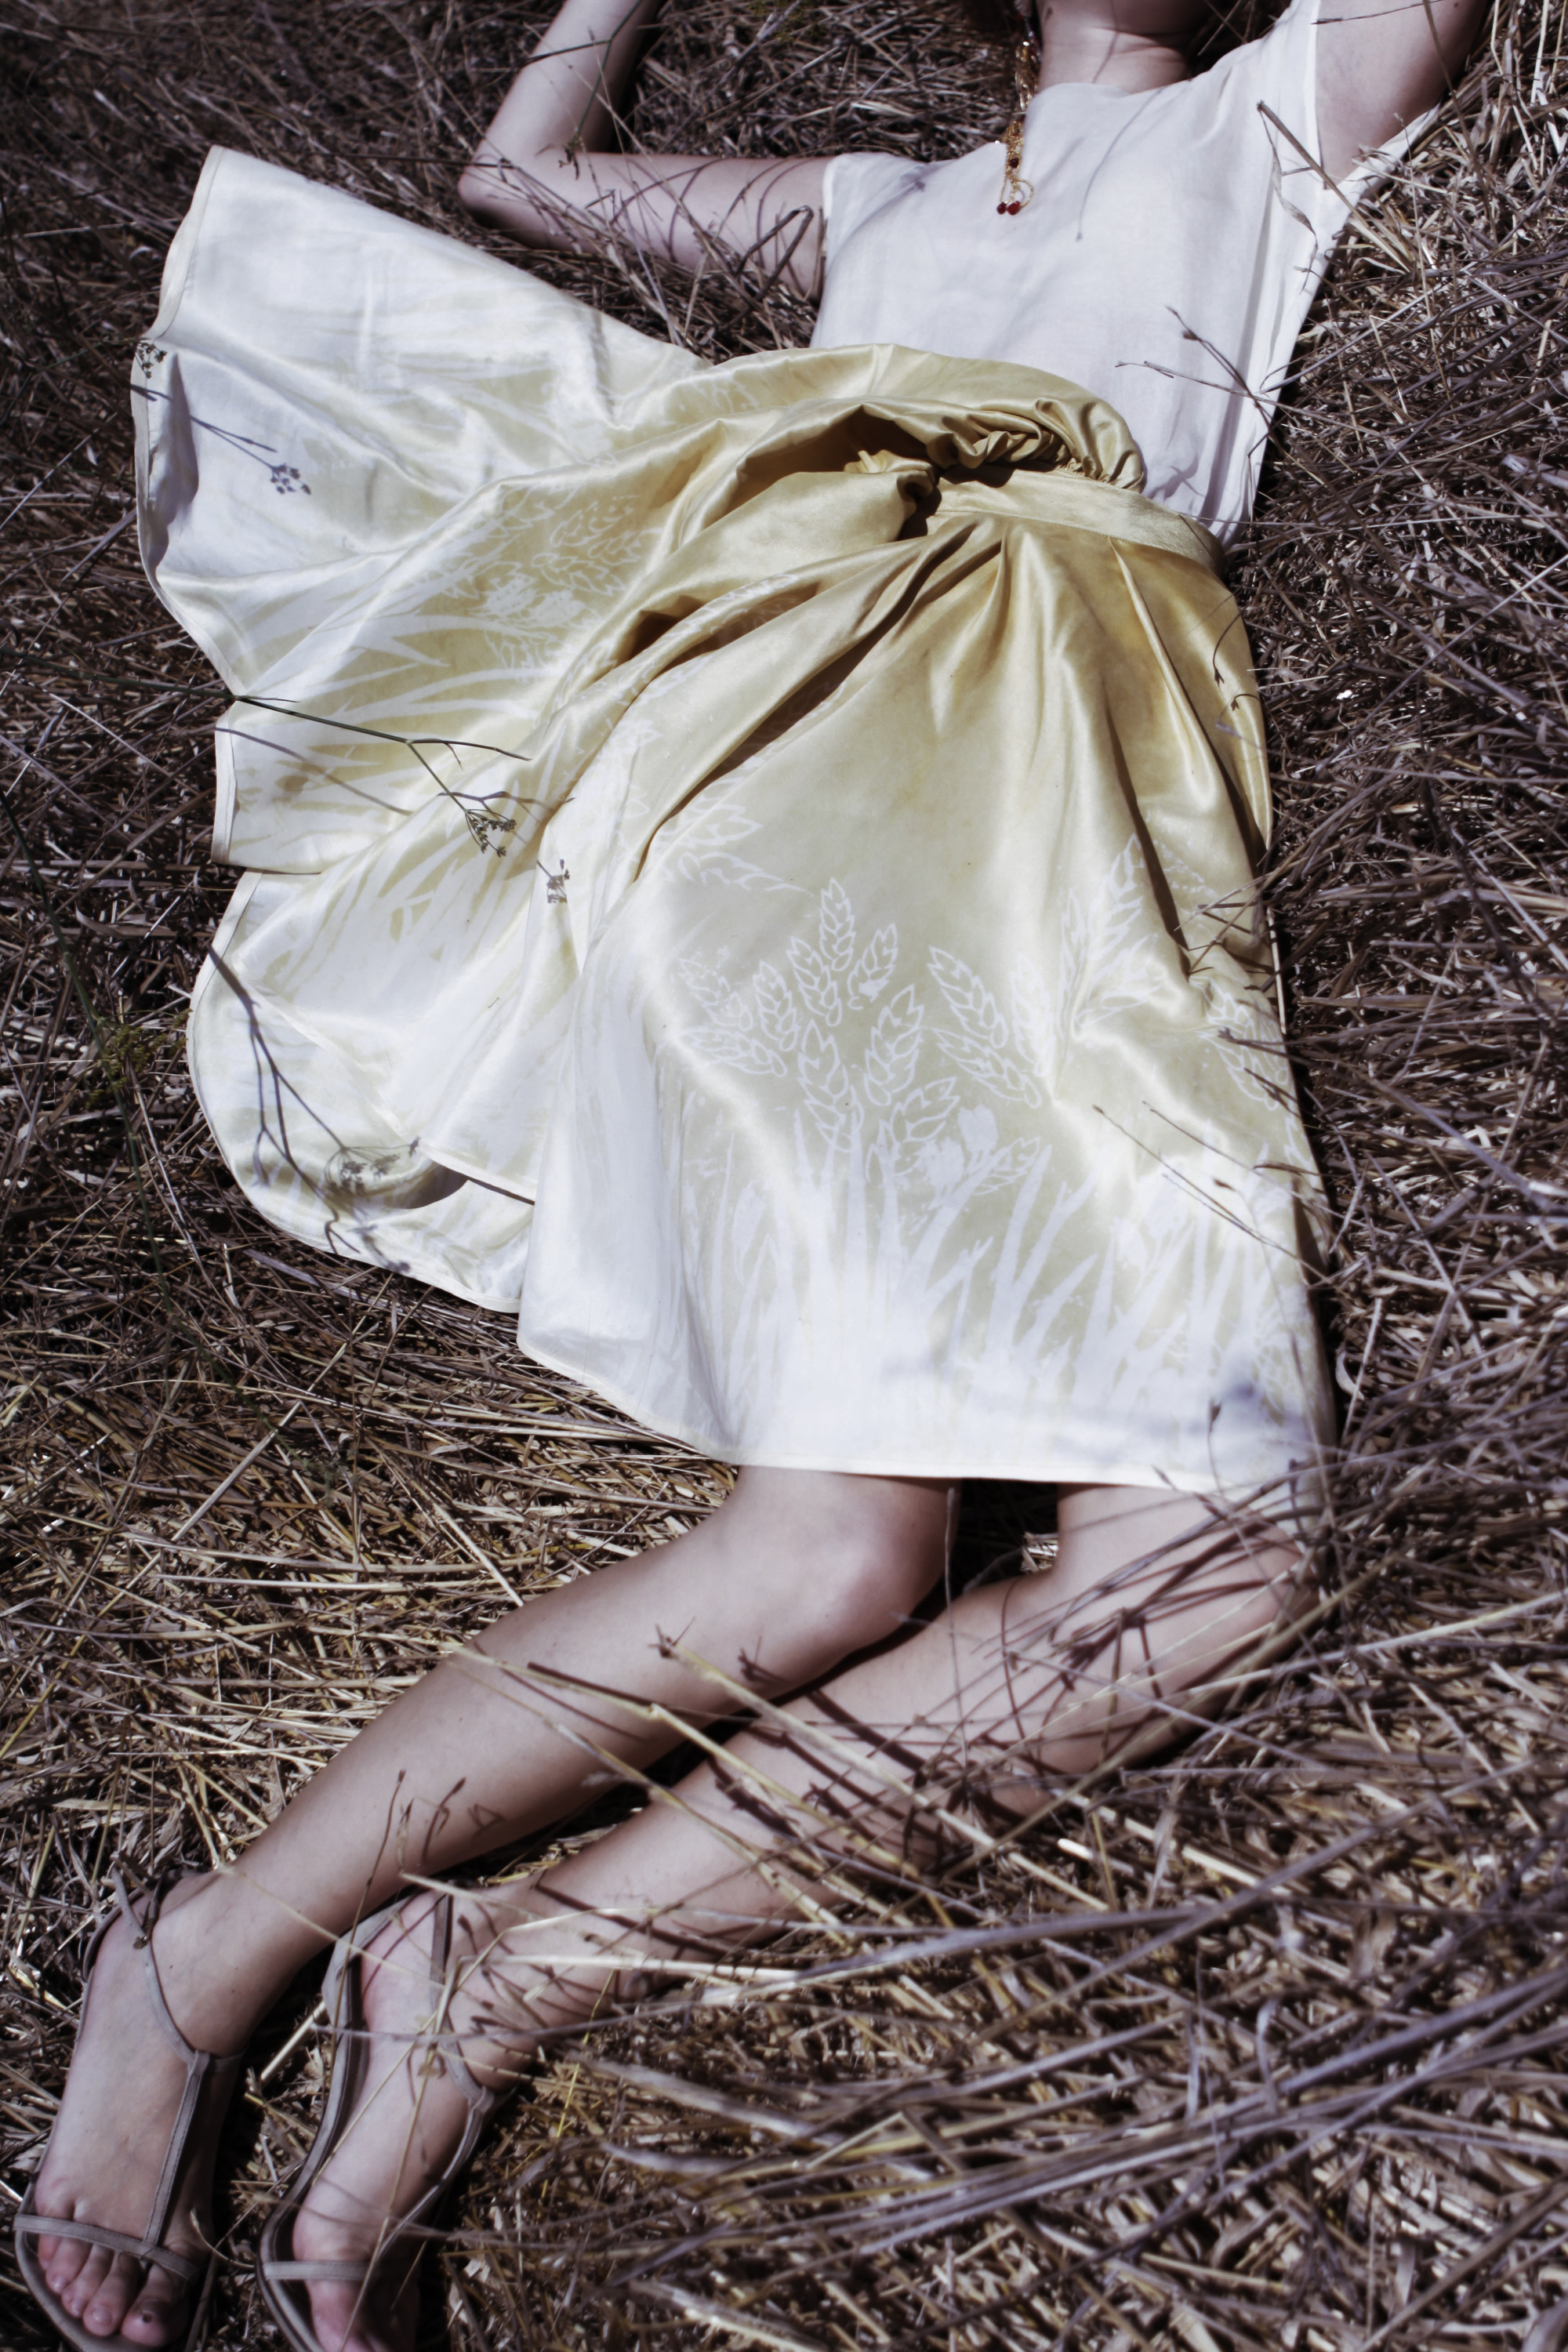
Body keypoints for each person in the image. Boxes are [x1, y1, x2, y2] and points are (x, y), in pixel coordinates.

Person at [18, 0, 1483, 2347]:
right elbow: (518, 186)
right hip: (828, 737)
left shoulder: (1277, 108)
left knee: (1194, 1562)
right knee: (849, 1550)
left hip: (1097, 807)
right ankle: (210, 1961)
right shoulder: (872, 204)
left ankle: (501, 1971)